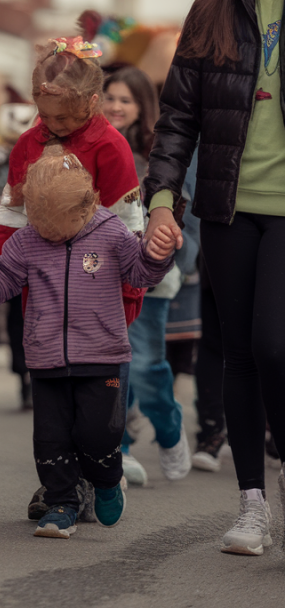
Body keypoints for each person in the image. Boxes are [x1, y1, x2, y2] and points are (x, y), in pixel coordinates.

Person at [142, 0, 285, 556]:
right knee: (238, 354)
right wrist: (162, 201)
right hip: (227, 209)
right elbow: (178, 119)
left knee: (273, 345)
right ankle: (253, 503)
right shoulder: (211, 12)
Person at [0, 149, 176, 538]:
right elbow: (3, 278)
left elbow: (139, 273)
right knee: (50, 441)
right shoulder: (26, 240)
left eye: (57, 225)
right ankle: (61, 503)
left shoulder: (111, 232)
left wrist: (157, 255)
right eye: (39, 222)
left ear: (86, 207)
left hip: (102, 357)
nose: (48, 232)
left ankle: (107, 480)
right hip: (46, 359)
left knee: (98, 435)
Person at [0, 36, 145, 522]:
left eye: (66, 119)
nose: (54, 126)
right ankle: (61, 486)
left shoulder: (111, 147)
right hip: (46, 289)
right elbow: (11, 215)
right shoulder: (28, 144)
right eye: (46, 115)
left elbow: (129, 227)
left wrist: (130, 293)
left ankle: (94, 477)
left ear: (92, 103)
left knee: (94, 407)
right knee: (53, 404)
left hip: (101, 294)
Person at [102, 66, 193, 486]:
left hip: (153, 280)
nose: (116, 106)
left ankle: (170, 428)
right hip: (104, 278)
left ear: (143, 106)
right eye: (110, 97)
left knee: (144, 366)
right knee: (112, 366)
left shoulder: (158, 154)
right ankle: (117, 450)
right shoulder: (93, 146)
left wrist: (175, 259)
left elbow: (181, 212)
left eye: (126, 99)